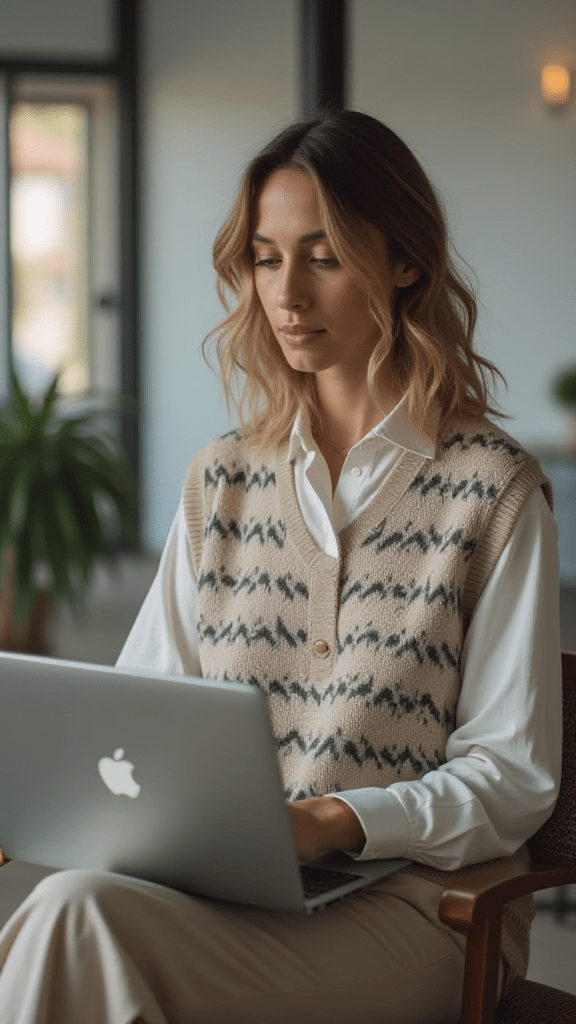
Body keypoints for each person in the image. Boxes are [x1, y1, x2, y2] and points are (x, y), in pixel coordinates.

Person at [0, 109, 562, 1024]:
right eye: (266, 257)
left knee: (75, 934)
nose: (287, 294)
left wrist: (336, 820)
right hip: (231, 895)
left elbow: (510, 779)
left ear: (406, 262)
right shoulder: (220, 477)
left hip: (423, 908)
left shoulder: (492, 495)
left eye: (325, 256)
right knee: (73, 909)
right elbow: (142, 706)